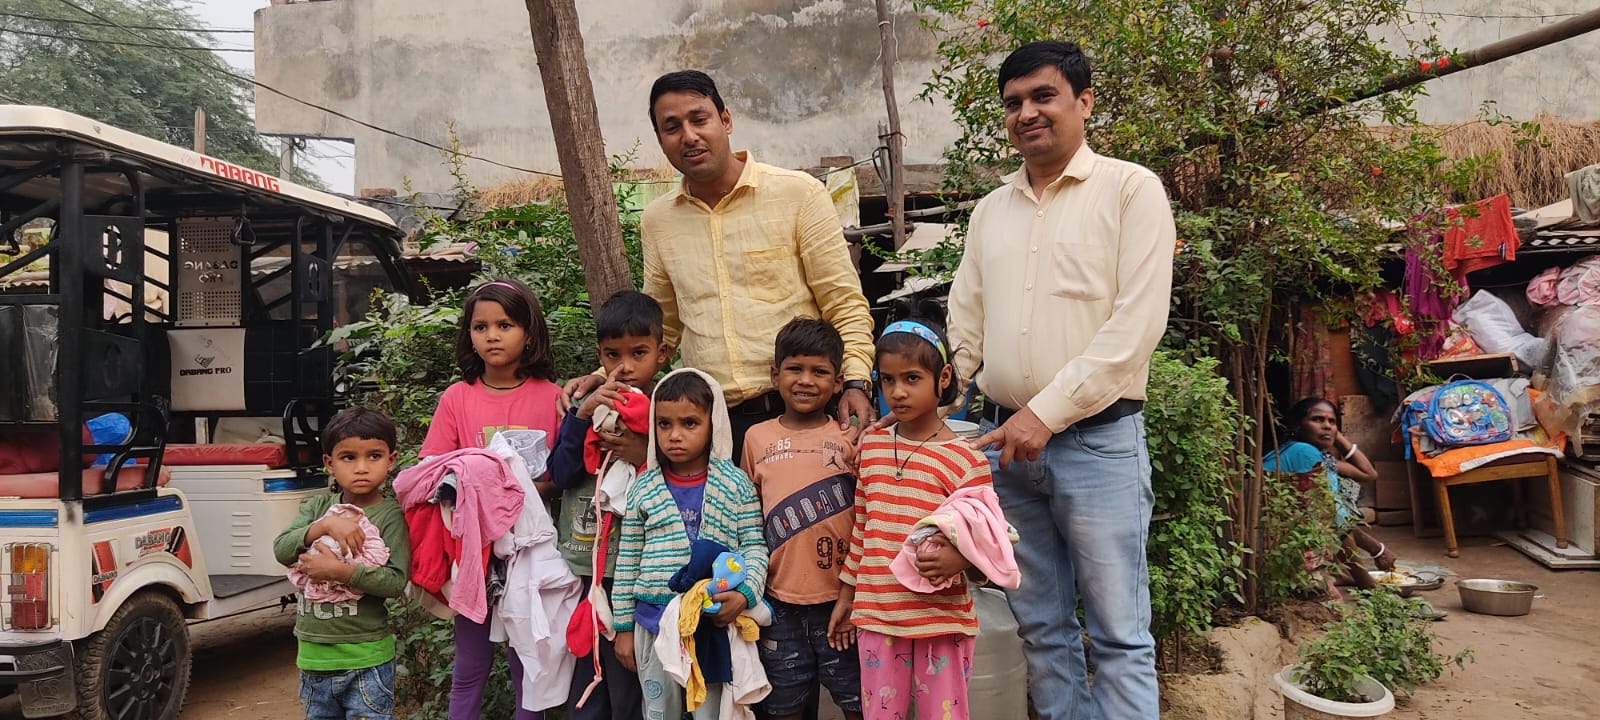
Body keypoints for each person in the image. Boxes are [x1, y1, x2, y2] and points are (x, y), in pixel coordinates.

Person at [945, 41, 1176, 718]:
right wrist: (942, 400)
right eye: (1013, 102)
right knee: (1041, 629)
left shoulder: (1130, 191)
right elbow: (966, 317)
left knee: (1119, 634)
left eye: (1043, 96)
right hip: (1004, 451)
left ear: (1085, 101)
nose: (1027, 113)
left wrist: (1045, 413)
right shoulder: (991, 211)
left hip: (1097, 445)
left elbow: (1136, 326)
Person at [561, 70, 876, 457]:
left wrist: (856, 381)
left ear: (725, 120)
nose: (689, 136)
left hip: (801, 416)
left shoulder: (799, 195)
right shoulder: (658, 220)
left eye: (699, 119)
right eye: (672, 127)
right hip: (712, 426)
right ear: (660, 140)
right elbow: (661, 325)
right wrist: (604, 376)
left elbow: (843, 303)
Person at [832, 319, 992, 720]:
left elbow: (993, 543)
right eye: (887, 379)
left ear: (944, 377)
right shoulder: (871, 448)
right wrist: (847, 597)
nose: (898, 391)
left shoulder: (966, 460)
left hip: (942, 622)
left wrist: (962, 558)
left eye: (912, 378)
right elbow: (863, 529)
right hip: (878, 616)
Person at [419, 279, 562, 720]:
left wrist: (515, 491)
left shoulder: (552, 397)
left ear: (529, 333)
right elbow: (432, 471)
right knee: (470, 664)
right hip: (473, 555)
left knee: (527, 664)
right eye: (480, 327)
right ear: (469, 336)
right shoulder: (457, 398)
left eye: (505, 325)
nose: (492, 336)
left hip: (532, 553)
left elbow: (563, 477)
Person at [611, 368, 770, 720]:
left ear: (714, 424)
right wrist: (623, 628)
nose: (675, 435)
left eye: (689, 423)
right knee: (659, 711)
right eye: (664, 424)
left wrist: (745, 594)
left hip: (711, 625)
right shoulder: (644, 487)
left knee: (711, 713)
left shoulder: (735, 485)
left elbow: (754, 547)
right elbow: (628, 559)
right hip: (653, 623)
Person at [548, 290, 665, 720]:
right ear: (600, 354)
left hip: (639, 571)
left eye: (639, 353)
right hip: (585, 571)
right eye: (613, 355)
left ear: (661, 353)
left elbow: (682, 480)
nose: (625, 367)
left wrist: (643, 453)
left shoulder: (667, 411)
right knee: (586, 681)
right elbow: (560, 474)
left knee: (630, 684)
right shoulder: (585, 407)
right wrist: (580, 419)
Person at [739, 318, 863, 720]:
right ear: (775, 375)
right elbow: (747, 515)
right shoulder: (756, 438)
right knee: (783, 706)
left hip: (843, 602)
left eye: (819, 371)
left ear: (838, 381)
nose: (806, 380)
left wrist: (854, 594)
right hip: (778, 605)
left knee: (859, 701)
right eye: (795, 368)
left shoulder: (851, 439)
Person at [273, 407, 411, 720]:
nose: (361, 468)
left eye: (374, 456)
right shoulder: (318, 507)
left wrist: (341, 572)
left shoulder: (390, 516)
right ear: (329, 463)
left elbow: (394, 581)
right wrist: (324, 525)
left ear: (391, 460)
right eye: (348, 457)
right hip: (313, 659)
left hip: (367, 659)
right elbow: (281, 550)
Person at [1263, 397, 1397, 594]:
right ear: (1298, 425)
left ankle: (1338, 574)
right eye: (1317, 419)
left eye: (1332, 421)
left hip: (1285, 532)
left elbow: (1368, 474)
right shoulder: (1304, 452)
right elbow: (1334, 519)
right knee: (1332, 513)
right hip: (1277, 541)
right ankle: (1352, 578)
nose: (1326, 426)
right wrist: (1367, 574)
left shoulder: (1314, 454)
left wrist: (1336, 436)